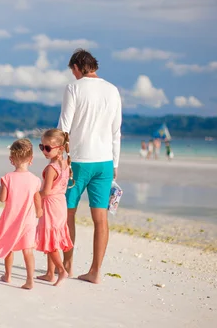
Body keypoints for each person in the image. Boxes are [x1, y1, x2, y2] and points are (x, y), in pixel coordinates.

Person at [57, 48, 122, 284]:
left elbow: (64, 127)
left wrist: (59, 159)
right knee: (101, 219)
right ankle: (95, 272)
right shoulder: (113, 90)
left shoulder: (73, 88)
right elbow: (116, 131)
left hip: (78, 161)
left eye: (72, 71)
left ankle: (67, 265)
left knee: (68, 214)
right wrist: (115, 163)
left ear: (76, 67)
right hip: (104, 162)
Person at [0, 139, 43, 290]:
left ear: (11, 160)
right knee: (28, 251)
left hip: (11, 220)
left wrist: (1, 188)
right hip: (28, 221)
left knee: (9, 247)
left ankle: (8, 275)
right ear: (31, 160)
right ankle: (30, 280)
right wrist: (39, 211)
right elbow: (37, 197)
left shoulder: (8, 178)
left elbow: (2, 198)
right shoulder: (35, 180)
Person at [35, 129, 74, 287]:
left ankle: (61, 270)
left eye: (48, 148)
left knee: (50, 241)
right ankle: (50, 273)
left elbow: (46, 191)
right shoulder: (65, 164)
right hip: (61, 204)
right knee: (51, 237)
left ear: (60, 148)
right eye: (41, 147)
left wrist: (34, 195)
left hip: (51, 205)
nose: (44, 151)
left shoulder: (51, 168)